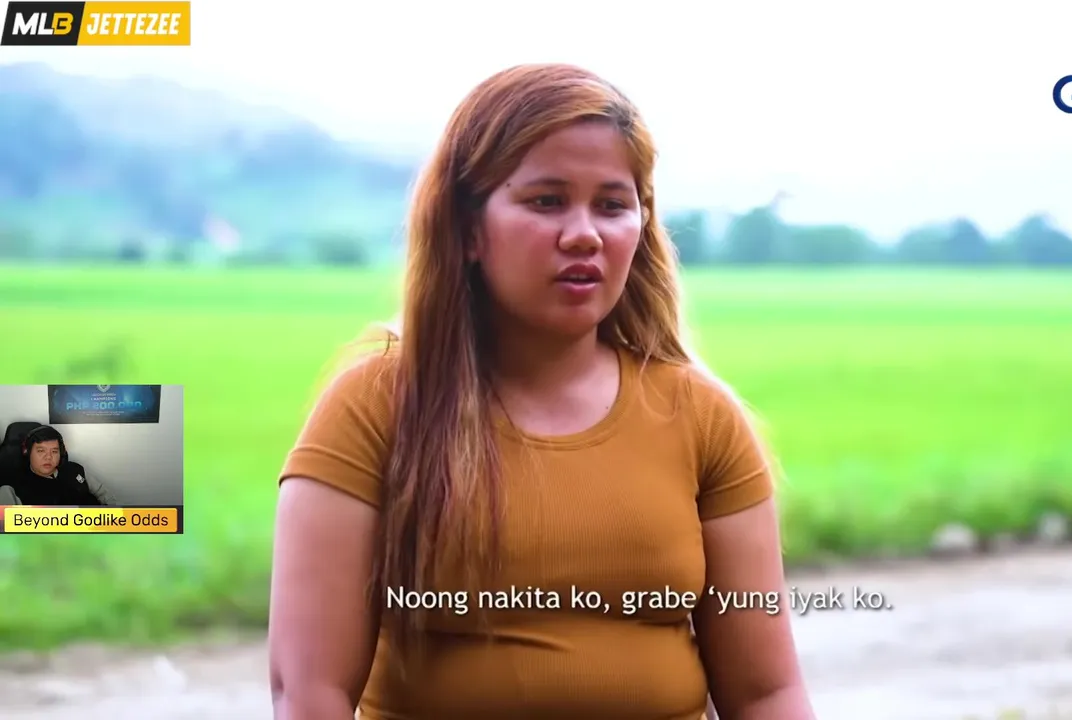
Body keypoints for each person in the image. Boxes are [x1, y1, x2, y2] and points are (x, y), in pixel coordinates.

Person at [269, 63, 814, 720]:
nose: (584, 233)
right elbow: (309, 693)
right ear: (468, 228)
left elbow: (766, 693)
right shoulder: (373, 409)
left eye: (612, 205)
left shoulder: (702, 418)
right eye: (547, 201)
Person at [10, 425, 114, 506]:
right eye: (41, 451)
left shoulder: (75, 470)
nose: (48, 457)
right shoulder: (13, 488)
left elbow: (105, 495)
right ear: (27, 452)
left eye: (54, 451)